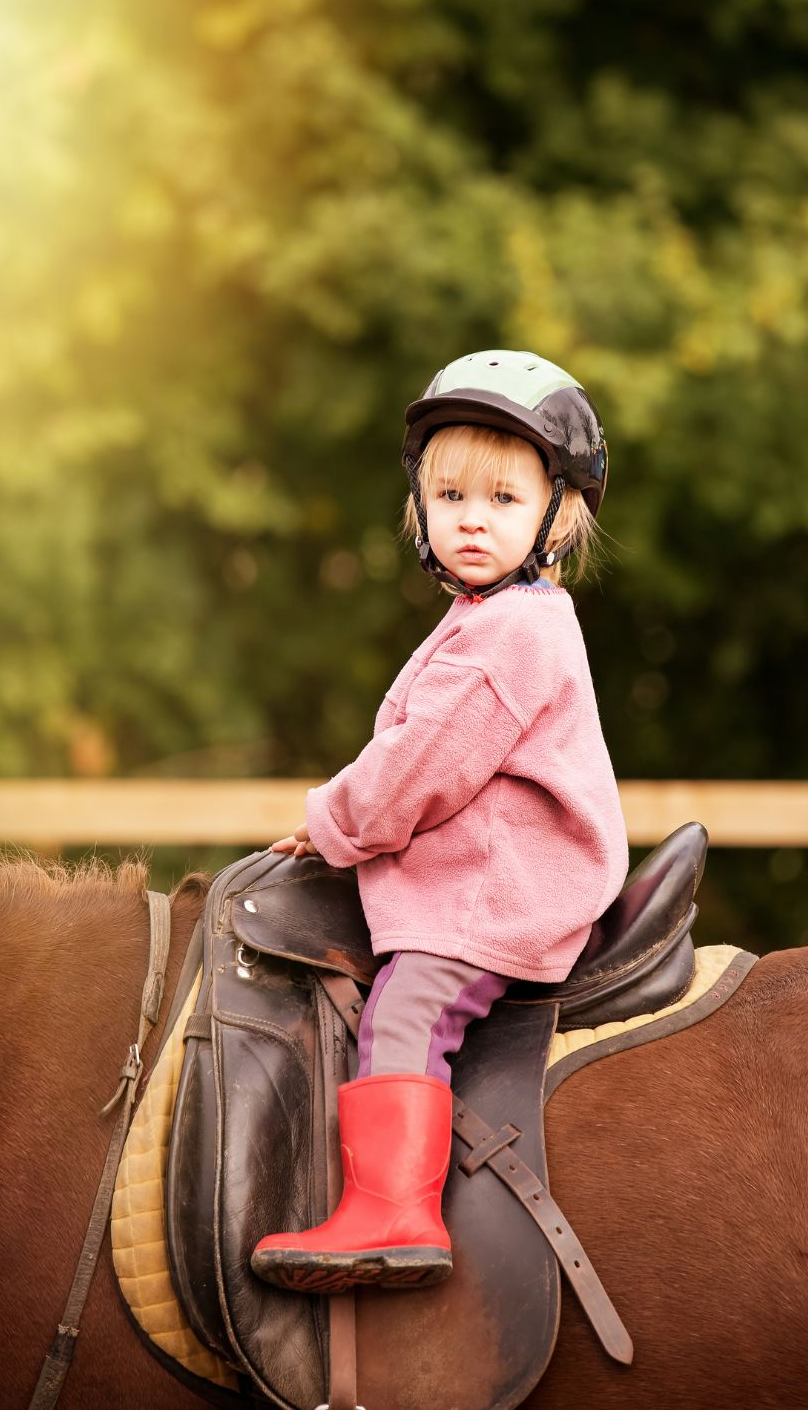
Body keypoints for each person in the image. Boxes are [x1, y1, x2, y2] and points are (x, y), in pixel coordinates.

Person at [250, 348, 629, 1293]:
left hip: (499, 888)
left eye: (503, 499)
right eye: (450, 493)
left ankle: (394, 1214)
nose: (471, 518)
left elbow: (418, 770)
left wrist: (331, 821)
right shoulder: (498, 616)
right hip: (488, 865)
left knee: (409, 1003)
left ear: (556, 514)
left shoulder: (512, 631)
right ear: (419, 506)